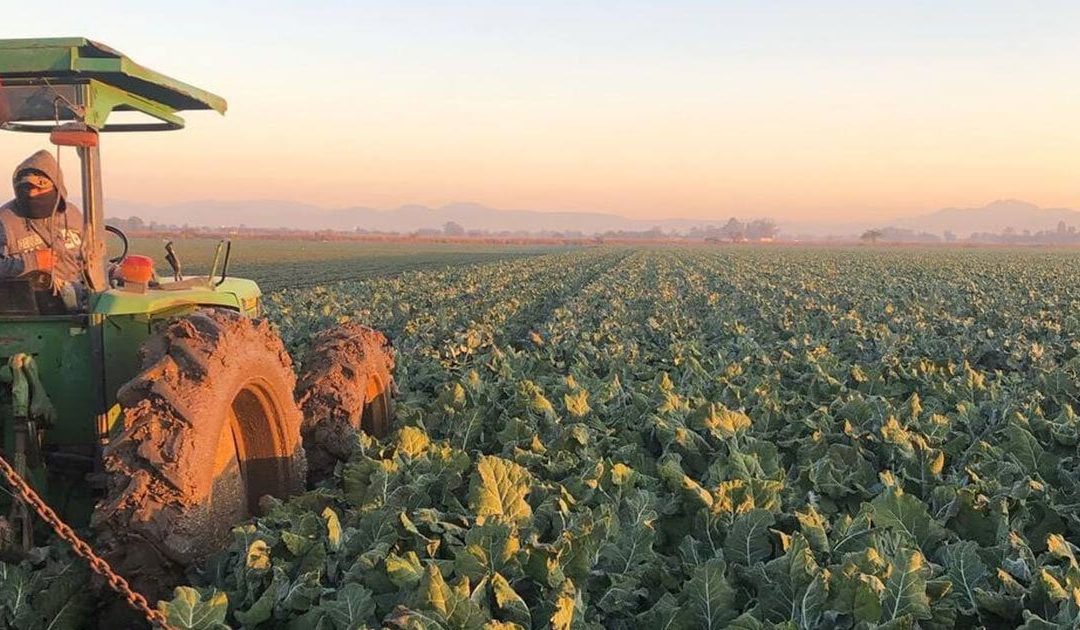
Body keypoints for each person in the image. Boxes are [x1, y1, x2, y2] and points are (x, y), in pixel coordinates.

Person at [0, 150, 84, 286]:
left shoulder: (72, 214)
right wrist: (33, 261)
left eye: (39, 188)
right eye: (26, 189)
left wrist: (109, 272)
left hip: (76, 297)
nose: (32, 194)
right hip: (27, 302)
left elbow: (89, 258)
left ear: (56, 187)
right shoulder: (5, 220)